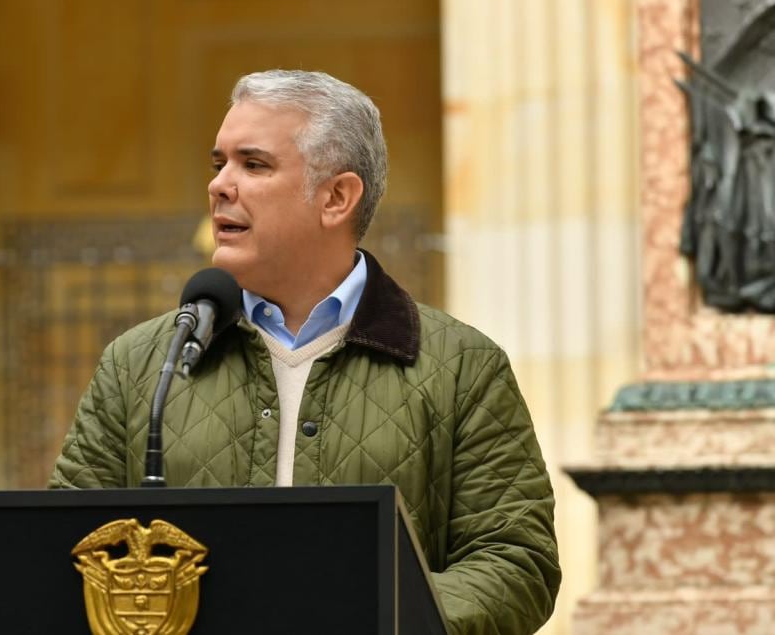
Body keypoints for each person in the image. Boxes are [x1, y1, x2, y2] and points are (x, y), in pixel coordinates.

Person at [50, 69, 560, 633]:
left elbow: (516, 562)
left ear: (336, 197)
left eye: (254, 164)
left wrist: (373, 618)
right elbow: (63, 548)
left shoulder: (462, 367)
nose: (221, 185)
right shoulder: (140, 363)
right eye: (219, 163)